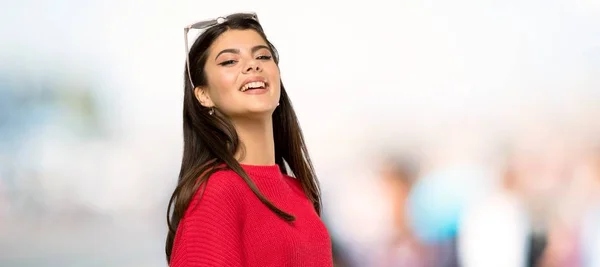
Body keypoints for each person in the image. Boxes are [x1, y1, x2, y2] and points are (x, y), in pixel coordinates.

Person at [165, 12, 333, 267]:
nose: (252, 65)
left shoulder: (299, 192)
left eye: (263, 56)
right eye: (229, 61)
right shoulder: (216, 193)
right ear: (203, 95)